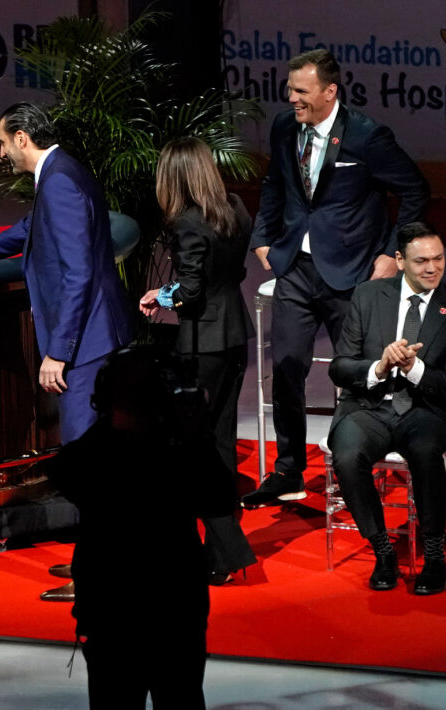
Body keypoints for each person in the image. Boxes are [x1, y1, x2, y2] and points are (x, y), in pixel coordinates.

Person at [242, 49, 429, 508]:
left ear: (330, 91)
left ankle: (352, 468)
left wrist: (392, 254)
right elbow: (274, 185)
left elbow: (415, 189)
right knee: (287, 367)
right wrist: (262, 239)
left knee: (357, 375)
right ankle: (288, 470)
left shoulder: (367, 136)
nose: (292, 98)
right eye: (290, 90)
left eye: (301, 91)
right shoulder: (285, 128)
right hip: (295, 269)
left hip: (352, 274)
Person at [0, 102, 132, 444]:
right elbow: (32, 226)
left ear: (21, 138)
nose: (1, 152)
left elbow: (78, 273)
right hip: (97, 333)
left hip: (88, 342)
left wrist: (58, 352)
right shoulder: (61, 168)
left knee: (83, 449)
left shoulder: (58, 182)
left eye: (3, 142)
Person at [47, 346, 228, 709]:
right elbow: (220, 500)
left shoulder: (87, 457)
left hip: (115, 612)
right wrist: (196, 434)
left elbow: (66, 470)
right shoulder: (178, 456)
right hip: (169, 611)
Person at [139, 136, 257, 583]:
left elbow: (189, 292)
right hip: (234, 336)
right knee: (219, 442)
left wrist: (162, 296)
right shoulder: (234, 208)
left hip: (202, 345)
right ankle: (216, 559)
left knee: (189, 450)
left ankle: (228, 550)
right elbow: (233, 272)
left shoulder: (187, 222)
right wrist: (169, 290)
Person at [328, 222, 446, 594]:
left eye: (439, 259)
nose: (432, 268)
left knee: (427, 452)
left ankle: (435, 553)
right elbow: (340, 366)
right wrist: (378, 368)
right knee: (347, 455)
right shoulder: (368, 295)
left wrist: (416, 369)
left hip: (425, 408)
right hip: (369, 407)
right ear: (399, 260)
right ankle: (383, 550)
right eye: (422, 261)